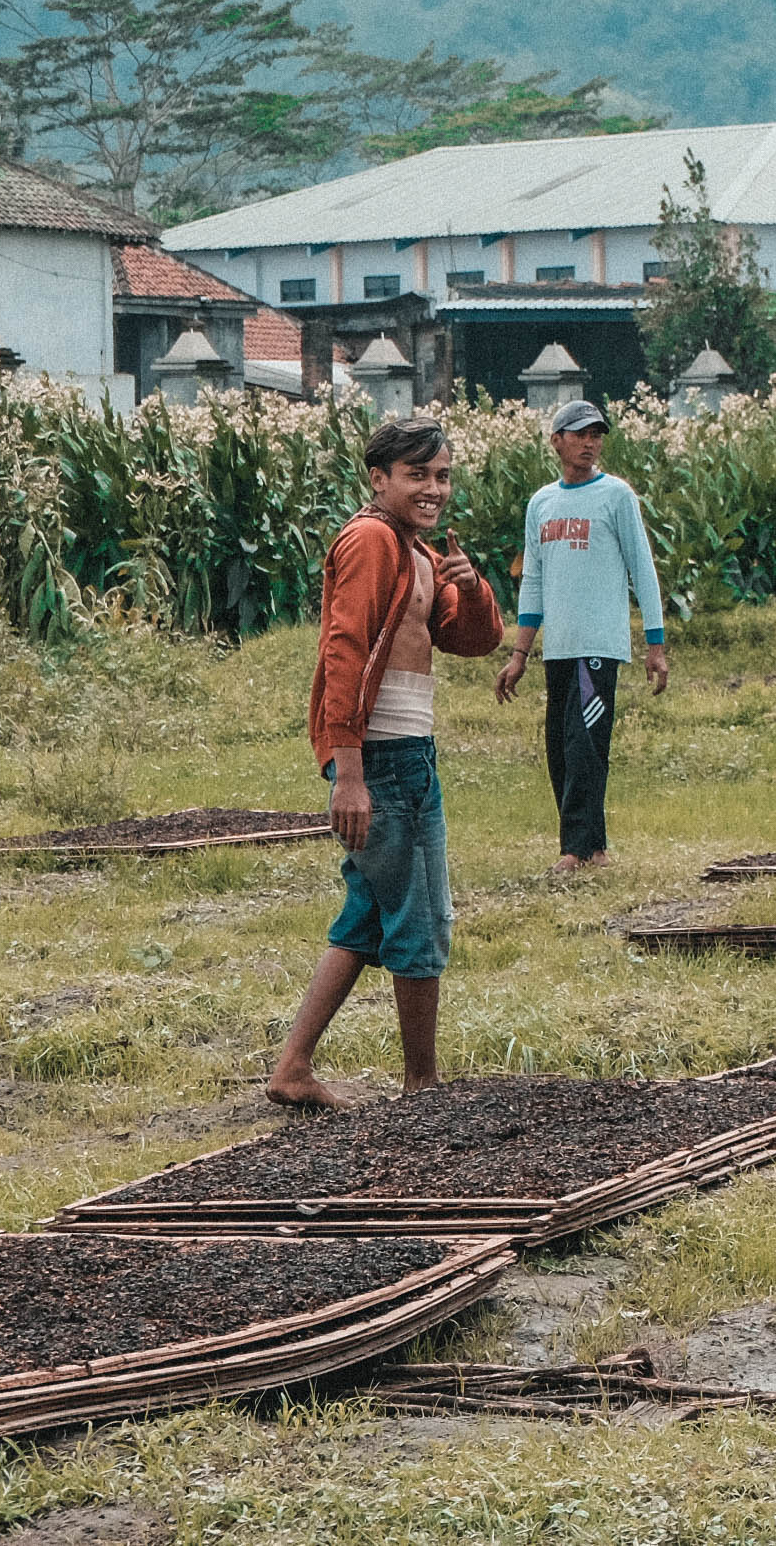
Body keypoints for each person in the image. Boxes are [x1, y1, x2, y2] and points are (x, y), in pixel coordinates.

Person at [268, 417, 504, 1110]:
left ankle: (292, 1069)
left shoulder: (420, 552)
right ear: (379, 479)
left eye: (443, 476)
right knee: (421, 921)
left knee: (370, 914)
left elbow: (472, 638)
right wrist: (349, 771)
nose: (434, 489)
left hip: (411, 753)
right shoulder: (371, 540)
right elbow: (343, 649)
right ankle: (422, 1085)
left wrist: (475, 582)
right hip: (384, 756)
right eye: (417, 475)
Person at [494, 400, 668, 870]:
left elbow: (643, 570)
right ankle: (592, 847)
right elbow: (533, 580)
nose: (590, 443)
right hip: (560, 649)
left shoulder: (616, 496)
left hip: (598, 645)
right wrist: (520, 653)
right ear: (557, 441)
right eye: (580, 434)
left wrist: (655, 644)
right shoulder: (542, 503)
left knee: (584, 743)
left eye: (596, 435)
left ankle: (576, 850)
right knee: (560, 746)